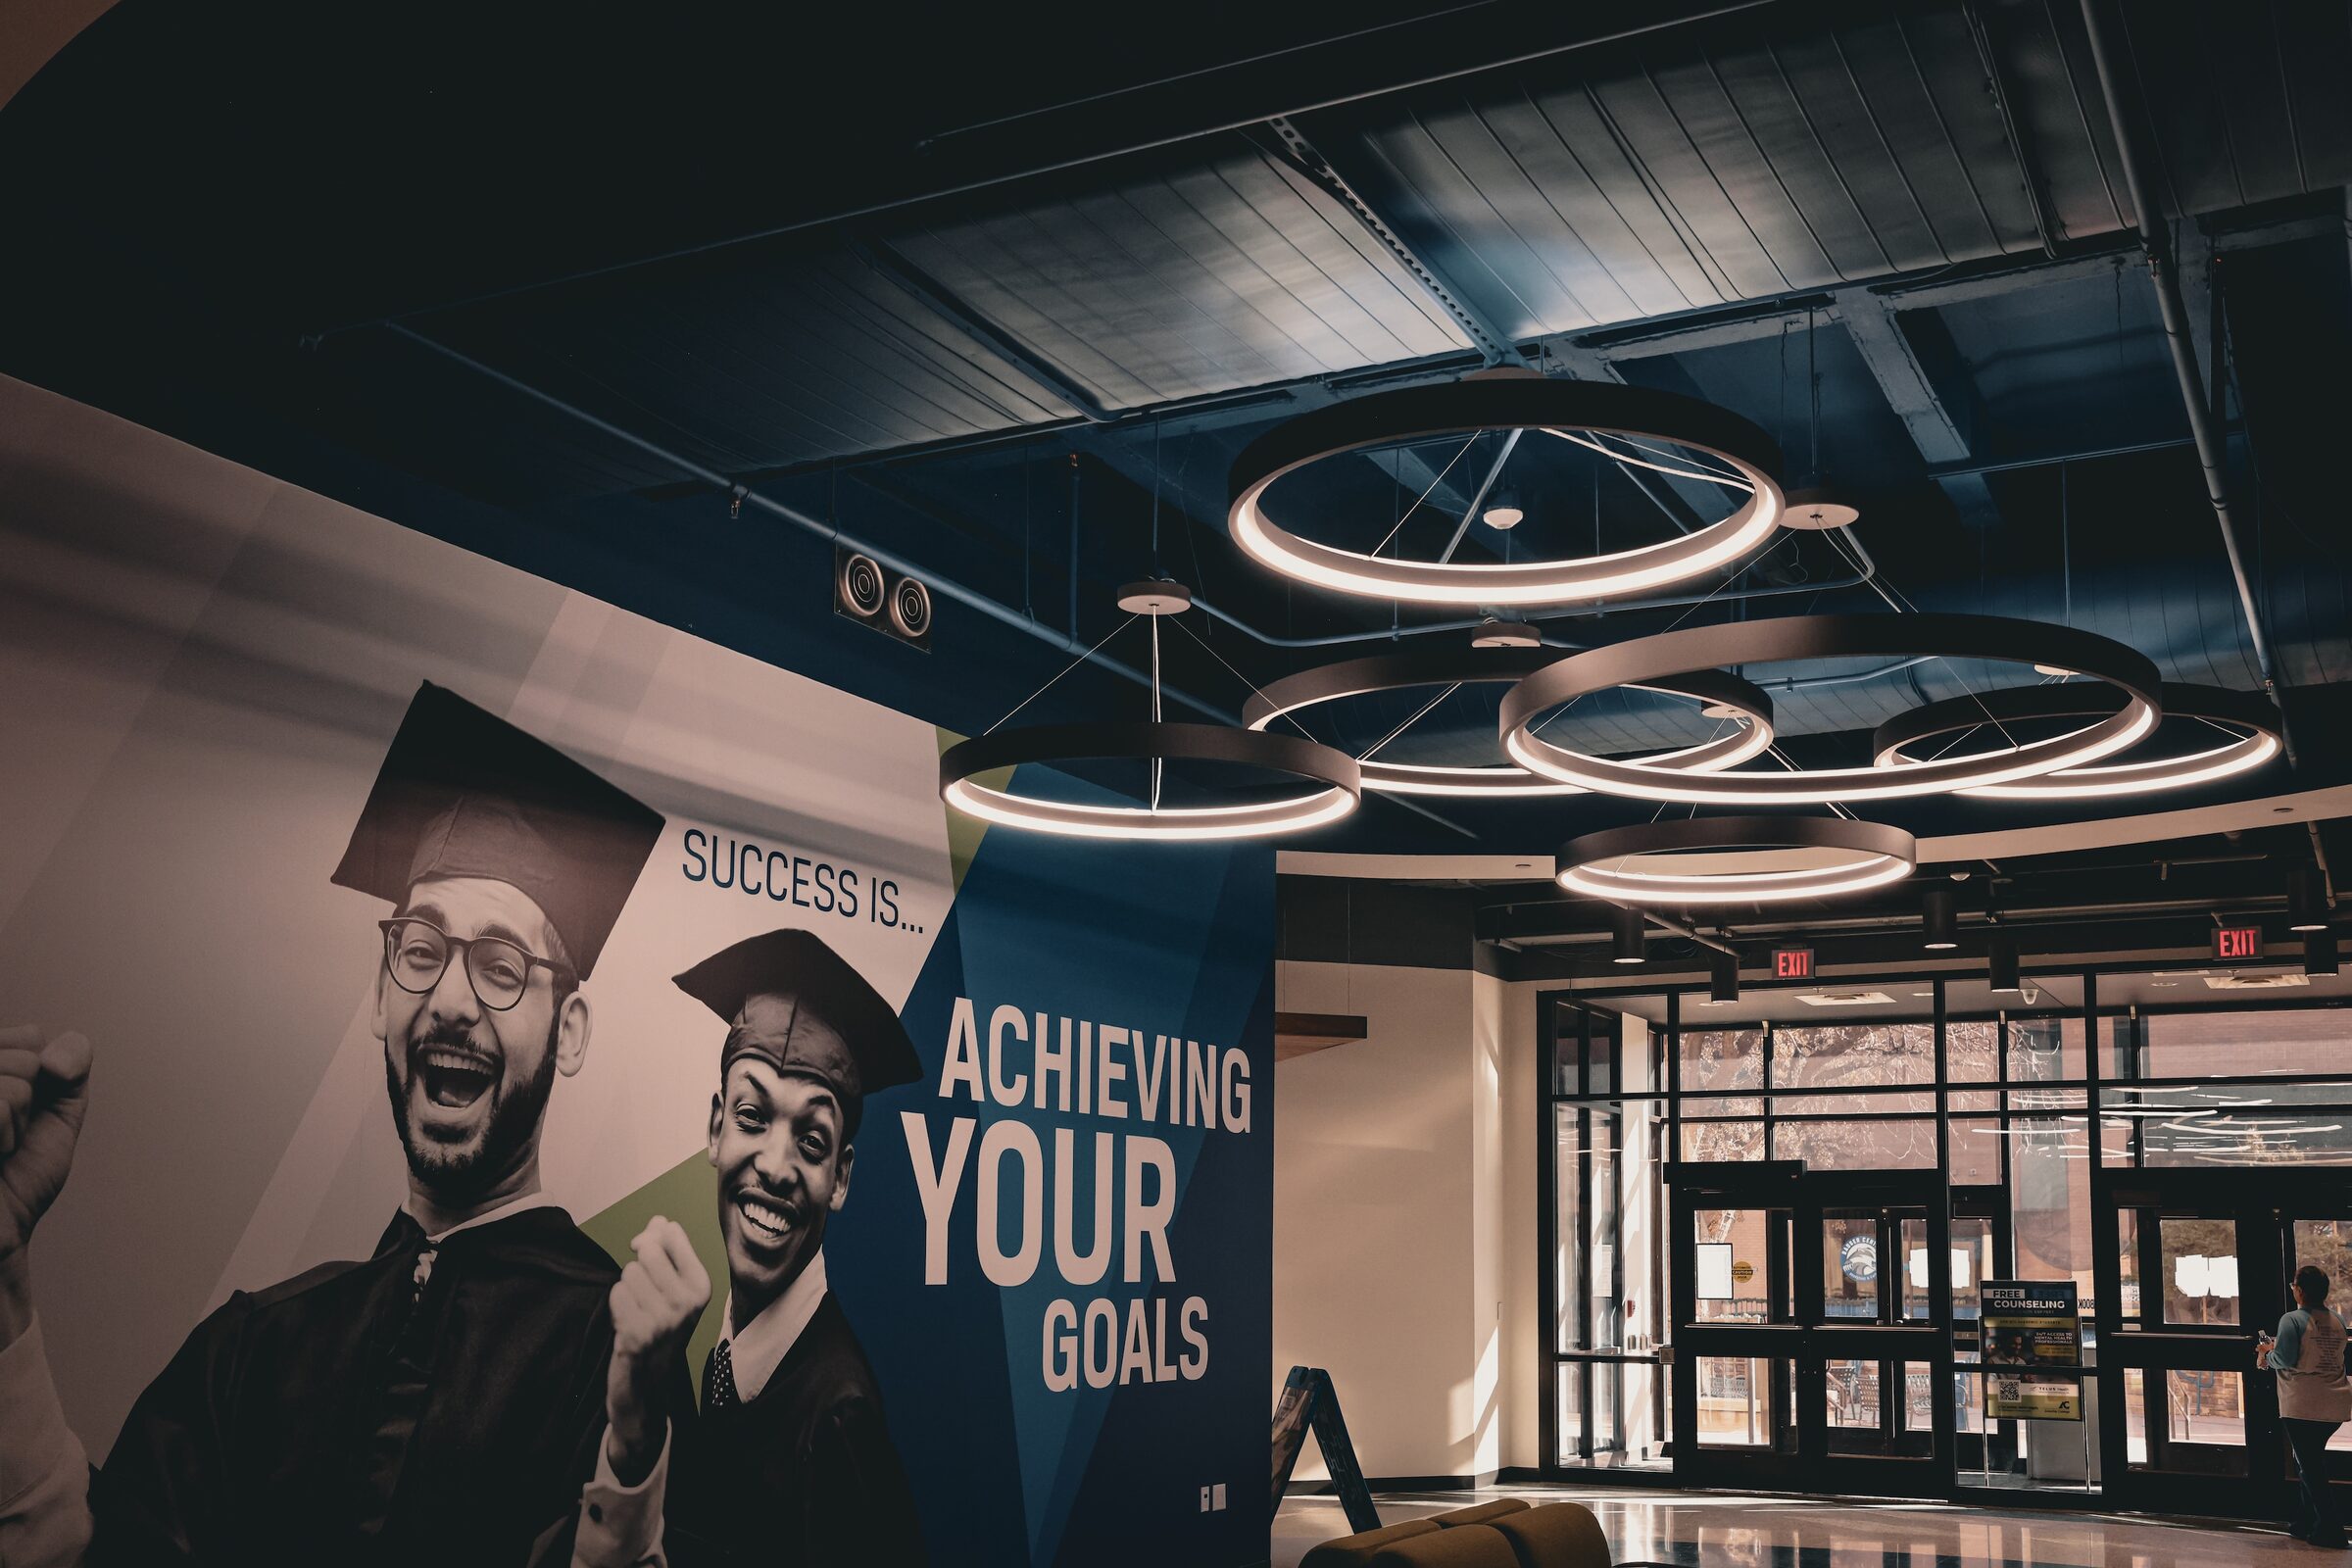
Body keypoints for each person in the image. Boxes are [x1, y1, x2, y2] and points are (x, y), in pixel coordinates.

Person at [0, 681, 686, 1566]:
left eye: (503, 965)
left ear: (572, 1030)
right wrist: (5, 1294)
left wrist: (630, 1464)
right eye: (423, 952)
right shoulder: (260, 1343)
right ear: (380, 991)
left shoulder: (617, 1354)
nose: (448, 1000)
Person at [579, 927, 925, 1567]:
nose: (774, 1165)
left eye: (812, 1142)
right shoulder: (709, 1369)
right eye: (752, 1117)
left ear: (840, 1178)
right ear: (715, 1129)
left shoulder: (838, 1422)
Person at [2260, 1264, 2352, 1548]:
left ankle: (2330, 1529)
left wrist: (2267, 1352)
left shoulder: (2291, 1320)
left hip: (2303, 1404)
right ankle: (2305, 1523)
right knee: (2308, 1462)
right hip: (2335, 1401)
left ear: (2299, 1290)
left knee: (2310, 1466)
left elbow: (2285, 1359)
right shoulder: (2336, 1319)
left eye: (2294, 1286)